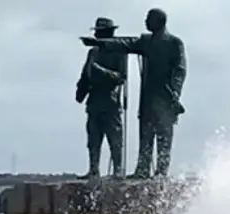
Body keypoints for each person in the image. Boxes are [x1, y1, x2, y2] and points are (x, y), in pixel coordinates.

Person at [80, 8, 186, 179]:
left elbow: (180, 70)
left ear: (159, 21)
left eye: (148, 19)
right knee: (146, 134)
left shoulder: (174, 43)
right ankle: (142, 169)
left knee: (164, 137)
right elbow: (125, 43)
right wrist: (100, 43)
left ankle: (160, 172)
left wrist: (175, 92)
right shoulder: (145, 41)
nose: (145, 22)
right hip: (148, 97)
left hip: (166, 98)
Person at [75, 17, 128, 179]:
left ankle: (118, 170)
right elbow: (85, 74)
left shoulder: (119, 52)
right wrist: (80, 91)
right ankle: (93, 169)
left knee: (114, 137)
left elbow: (121, 77)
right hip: (94, 101)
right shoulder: (93, 52)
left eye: (100, 32)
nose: (97, 35)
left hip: (110, 101)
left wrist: (100, 71)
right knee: (93, 139)